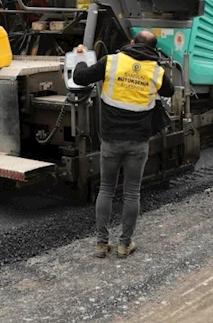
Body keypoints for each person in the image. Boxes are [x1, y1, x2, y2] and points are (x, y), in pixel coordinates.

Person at [72, 30, 174, 258]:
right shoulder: (155, 71)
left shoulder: (111, 61)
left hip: (110, 140)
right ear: (153, 49)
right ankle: (124, 245)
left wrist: (80, 59)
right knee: (131, 192)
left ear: (131, 42)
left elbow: (80, 78)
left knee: (106, 189)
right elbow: (169, 91)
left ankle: (101, 244)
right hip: (138, 142)